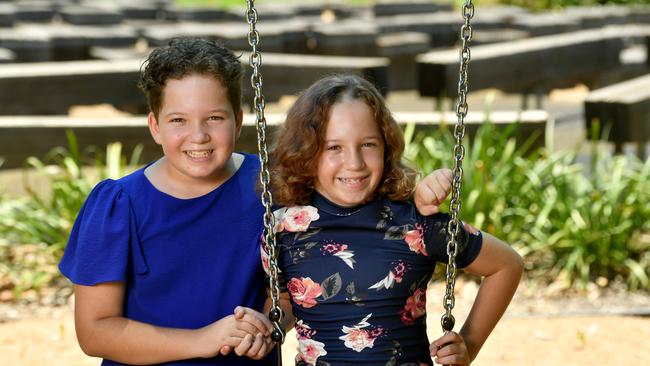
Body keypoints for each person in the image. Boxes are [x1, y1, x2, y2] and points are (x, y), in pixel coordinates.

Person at [58, 38, 453, 366]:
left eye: (214, 118)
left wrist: (412, 197)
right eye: (178, 120)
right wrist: (203, 339)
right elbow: (95, 332)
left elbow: (355, 199)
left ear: (239, 120)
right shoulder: (118, 205)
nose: (198, 136)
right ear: (155, 126)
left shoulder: (273, 184)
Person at [267, 74, 524, 366]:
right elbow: (285, 301)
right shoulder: (282, 228)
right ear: (307, 152)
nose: (354, 163)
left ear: (387, 147)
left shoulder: (416, 222)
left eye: (368, 144)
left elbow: (507, 264)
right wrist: (264, 325)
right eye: (333, 147)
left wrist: (470, 344)